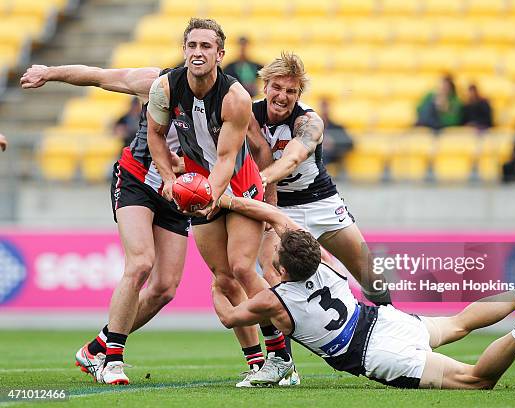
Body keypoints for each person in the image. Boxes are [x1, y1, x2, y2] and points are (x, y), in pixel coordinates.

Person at [20, 61, 271, 386]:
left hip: (183, 193)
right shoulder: (157, 83)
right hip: (139, 178)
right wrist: (49, 72)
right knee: (140, 264)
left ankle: (97, 346)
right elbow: (98, 76)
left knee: (165, 288)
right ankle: (112, 359)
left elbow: (239, 150)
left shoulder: (225, 98)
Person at [211, 194, 515, 387]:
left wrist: (217, 280)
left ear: (278, 268)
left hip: (375, 353)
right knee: (458, 324)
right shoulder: (325, 261)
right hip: (383, 319)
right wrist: (230, 200)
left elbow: (230, 316)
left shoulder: (273, 301)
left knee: (477, 380)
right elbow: (276, 217)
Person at [146, 18, 291, 387]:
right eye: (192, 45)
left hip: (239, 186)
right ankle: (257, 363)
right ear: (184, 50)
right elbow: (155, 135)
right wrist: (168, 179)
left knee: (243, 268)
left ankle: (282, 359)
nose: (198, 52)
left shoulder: (236, 97)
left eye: (206, 46)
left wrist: (212, 193)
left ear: (220, 54)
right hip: (197, 187)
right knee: (223, 277)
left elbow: (227, 158)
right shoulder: (164, 88)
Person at [250, 52, 392, 307]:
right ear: (265, 86)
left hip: (319, 202)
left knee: (372, 275)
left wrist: (261, 178)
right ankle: (281, 348)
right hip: (277, 206)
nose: (282, 96)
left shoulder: (309, 122)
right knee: (272, 273)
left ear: (299, 94)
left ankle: (394, 326)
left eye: (291, 91)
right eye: (277, 87)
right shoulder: (247, 116)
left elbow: (293, 158)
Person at [319, 98, 354, 166]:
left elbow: (350, 144)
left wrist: (333, 144)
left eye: (326, 106)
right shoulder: (312, 127)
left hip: (332, 160)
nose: (324, 109)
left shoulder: (337, 127)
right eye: (323, 106)